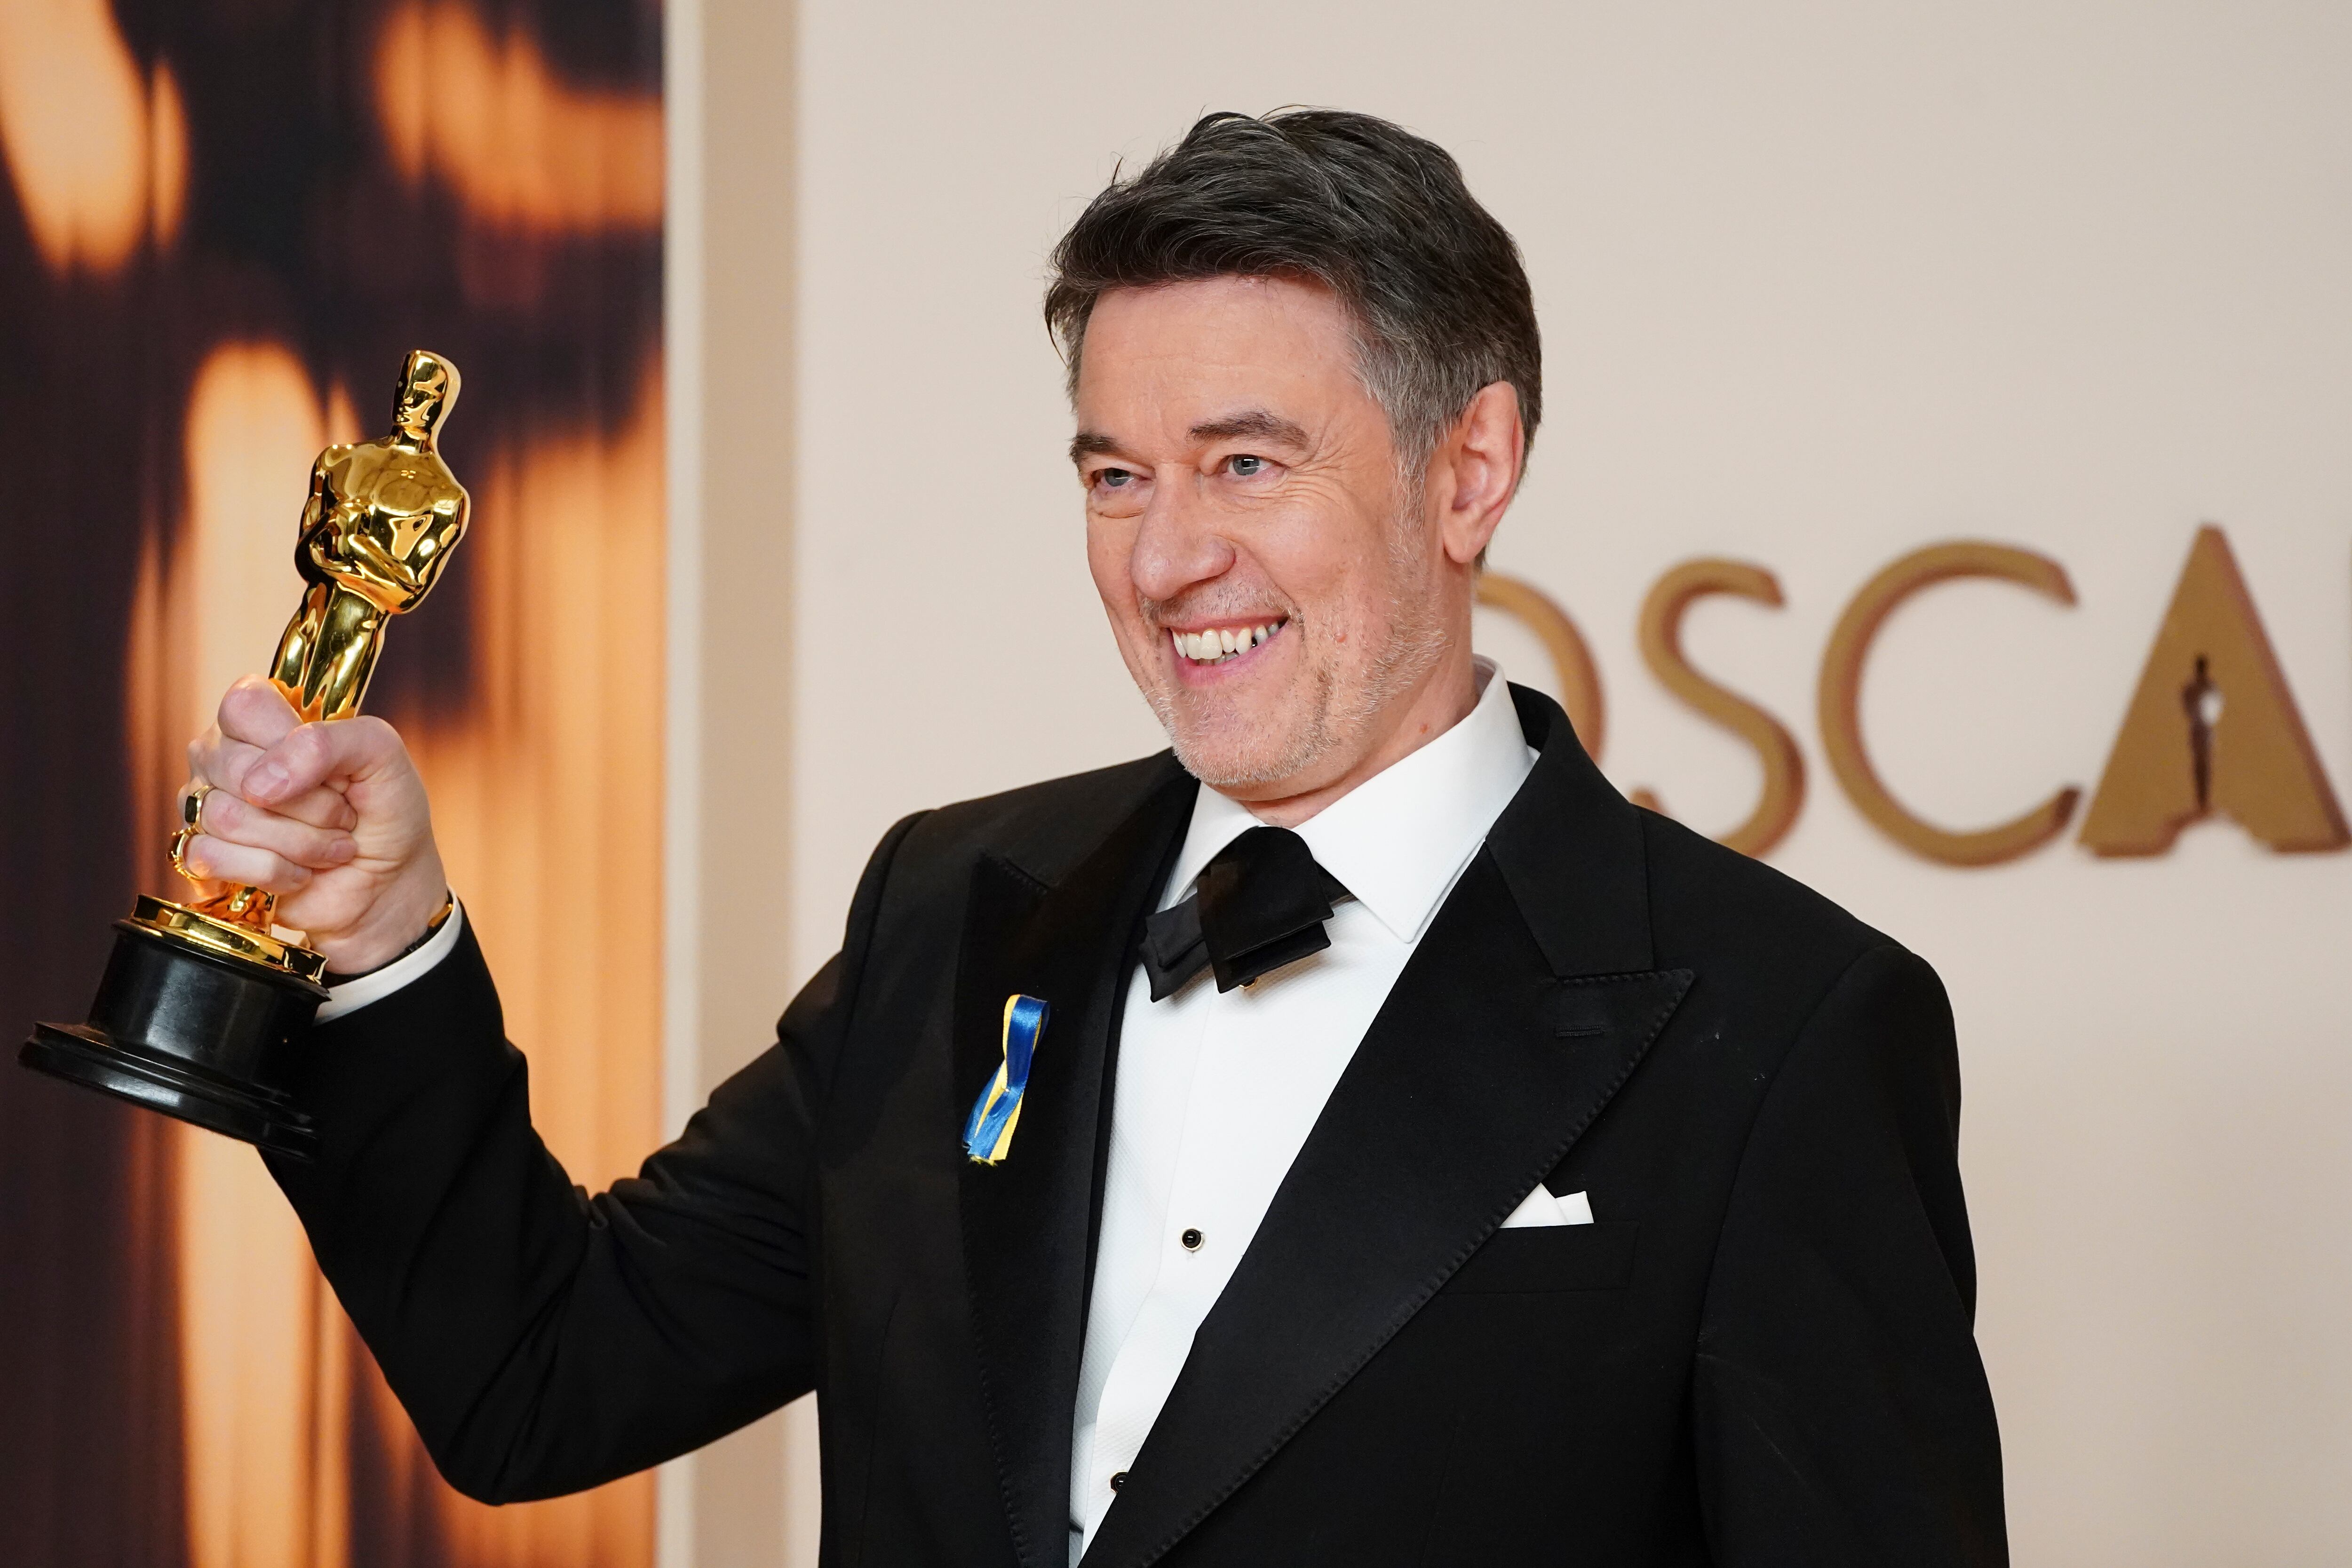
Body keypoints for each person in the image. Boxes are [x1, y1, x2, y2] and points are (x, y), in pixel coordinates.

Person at [176, 110, 2006, 1567]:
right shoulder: (954, 908)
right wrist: (383, 945)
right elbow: (546, 1376)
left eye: (1246, 463)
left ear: (1469, 471)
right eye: (1117, 475)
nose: (1167, 558)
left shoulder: (1781, 1026)